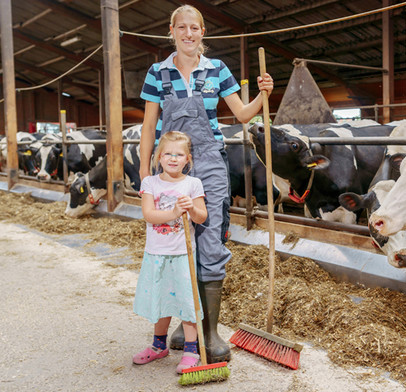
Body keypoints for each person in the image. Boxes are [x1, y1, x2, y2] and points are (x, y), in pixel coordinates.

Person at [137, 4, 273, 363]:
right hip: (171, 165)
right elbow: (150, 127)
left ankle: (209, 333)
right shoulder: (156, 73)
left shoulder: (218, 69)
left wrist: (263, 95)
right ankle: (186, 325)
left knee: (209, 240)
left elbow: (242, 114)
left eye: (194, 28)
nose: (188, 34)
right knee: (174, 243)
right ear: (171, 31)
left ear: (202, 32)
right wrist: (143, 173)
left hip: (210, 163)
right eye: (181, 28)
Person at [132, 131, 208, 373]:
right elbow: (149, 215)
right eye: (168, 154)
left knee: (187, 301)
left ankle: (191, 351)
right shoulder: (150, 183)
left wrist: (191, 209)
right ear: (158, 157)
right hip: (156, 253)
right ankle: (158, 346)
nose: (173, 159)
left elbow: (202, 216)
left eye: (179, 154)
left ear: (188, 159)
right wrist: (175, 212)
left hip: (182, 254)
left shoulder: (192, 184)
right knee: (161, 300)